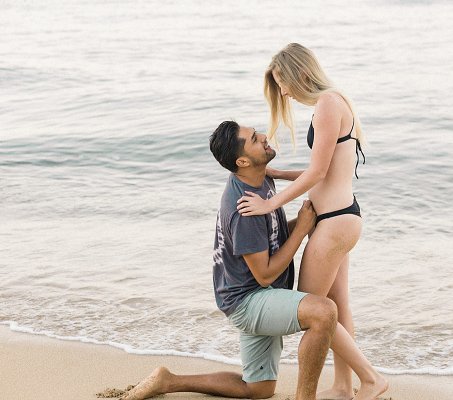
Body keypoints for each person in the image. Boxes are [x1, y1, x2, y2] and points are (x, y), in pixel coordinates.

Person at [120, 120, 338, 400]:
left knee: (258, 389)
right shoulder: (243, 209)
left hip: (250, 292)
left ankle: (168, 381)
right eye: (254, 138)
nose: (263, 137)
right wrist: (304, 228)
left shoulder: (258, 177)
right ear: (243, 160)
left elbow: (275, 231)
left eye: (256, 132)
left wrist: (293, 208)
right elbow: (266, 275)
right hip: (248, 300)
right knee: (324, 312)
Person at [236, 43, 388, 400]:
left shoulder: (328, 103)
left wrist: (269, 203)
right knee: (338, 306)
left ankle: (371, 379)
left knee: (313, 309)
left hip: (334, 221)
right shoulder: (333, 102)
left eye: (283, 83)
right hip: (339, 217)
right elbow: (323, 169)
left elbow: (319, 172)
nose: (284, 92)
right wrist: (276, 172)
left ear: (301, 73)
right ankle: (342, 388)